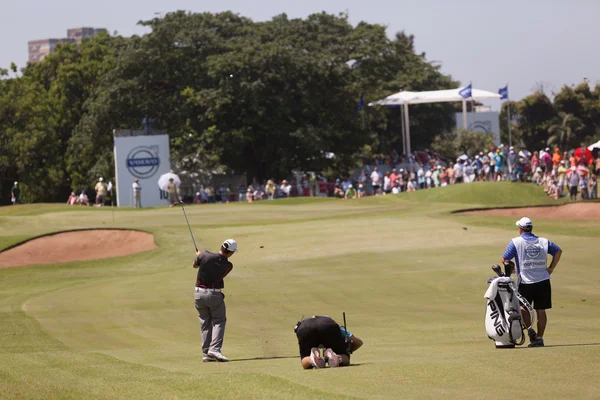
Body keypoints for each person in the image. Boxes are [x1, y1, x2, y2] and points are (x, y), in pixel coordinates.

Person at [501, 217, 562, 347]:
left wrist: (513, 269)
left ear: (521, 229)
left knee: (523, 308)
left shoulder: (515, 242)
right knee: (541, 310)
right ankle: (539, 338)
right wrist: (551, 268)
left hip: (525, 282)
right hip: (543, 281)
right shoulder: (543, 241)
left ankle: (530, 330)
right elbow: (558, 251)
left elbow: (505, 259)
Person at [193, 239, 238, 362]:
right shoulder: (228, 266)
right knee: (219, 321)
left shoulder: (204, 255)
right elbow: (215, 265)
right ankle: (215, 350)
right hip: (213, 295)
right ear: (231, 253)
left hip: (198, 294)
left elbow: (195, 265)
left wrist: (199, 257)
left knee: (205, 323)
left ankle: (206, 354)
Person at [294, 315, 363, 369]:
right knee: (345, 358)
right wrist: (347, 351)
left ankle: (312, 358)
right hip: (327, 326)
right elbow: (359, 342)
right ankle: (336, 357)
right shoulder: (330, 323)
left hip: (304, 327)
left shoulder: (305, 323)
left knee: (304, 359)